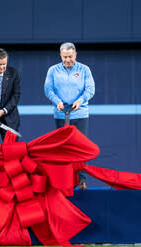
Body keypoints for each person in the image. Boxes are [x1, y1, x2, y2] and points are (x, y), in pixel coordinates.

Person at [44, 42, 95, 190]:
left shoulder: (84, 70)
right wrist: (57, 101)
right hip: (61, 114)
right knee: (63, 149)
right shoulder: (53, 70)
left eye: (70, 57)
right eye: (65, 57)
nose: (68, 60)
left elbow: (90, 90)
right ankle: (64, 181)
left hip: (80, 113)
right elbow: (49, 90)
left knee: (79, 147)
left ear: (75, 55)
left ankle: (82, 180)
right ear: (60, 55)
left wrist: (80, 101)